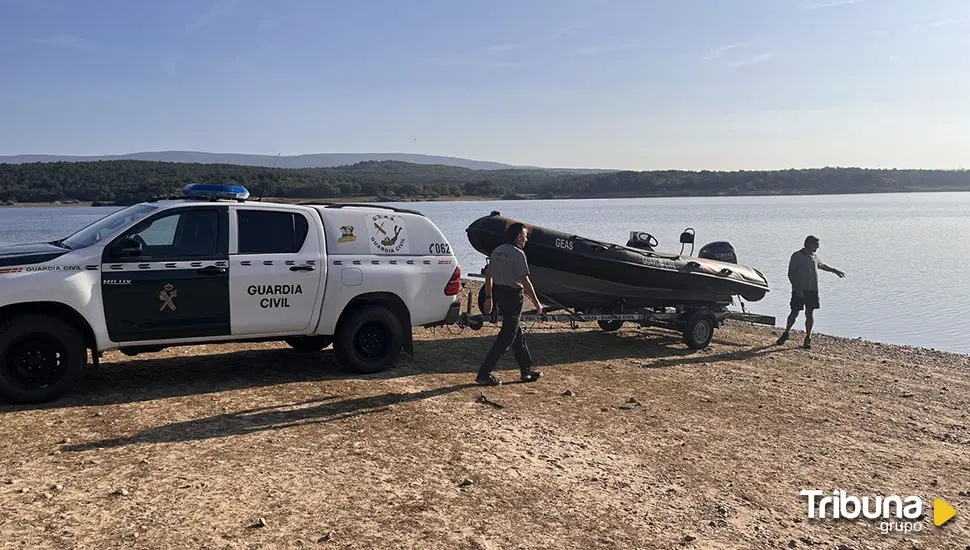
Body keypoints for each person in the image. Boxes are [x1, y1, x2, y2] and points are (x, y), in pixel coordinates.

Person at [476, 222, 544, 386]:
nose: (526, 240)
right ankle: (484, 373)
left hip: (500, 294)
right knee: (507, 337)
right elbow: (525, 282)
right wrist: (537, 304)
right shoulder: (518, 254)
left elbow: (488, 275)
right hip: (513, 297)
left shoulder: (497, 251)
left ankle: (526, 370)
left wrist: (489, 297)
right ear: (519, 237)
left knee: (516, 332)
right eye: (525, 236)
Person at [776, 235, 845, 349]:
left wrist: (834, 270)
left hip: (812, 290)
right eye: (816, 244)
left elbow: (821, 265)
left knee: (809, 314)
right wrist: (797, 289)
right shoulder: (796, 256)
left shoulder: (814, 256)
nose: (818, 247)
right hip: (799, 289)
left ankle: (808, 338)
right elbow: (791, 273)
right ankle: (786, 333)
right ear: (810, 244)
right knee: (794, 312)